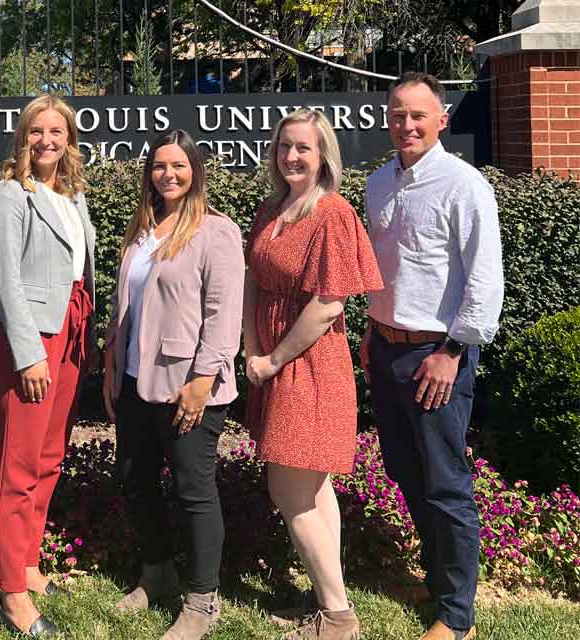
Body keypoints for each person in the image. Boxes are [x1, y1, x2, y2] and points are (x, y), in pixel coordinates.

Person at [361, 72, 503, 640]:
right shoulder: (377, 184)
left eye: (418, 115)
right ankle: (439, 578)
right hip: (386, 349)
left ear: (441, 119)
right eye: (397, 114)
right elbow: (385, 270)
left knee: (445, 481)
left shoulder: (463, 185)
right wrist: (372, 329)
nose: (407, 125)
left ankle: (457, 616)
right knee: (404, 469)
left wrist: (453, 350)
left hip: (436, 356)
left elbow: (485, 279)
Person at [243, 108, 382, 640]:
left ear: (323, 153)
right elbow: (255, 278)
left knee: (290, 490)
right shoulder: (272, 209)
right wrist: (253, 350)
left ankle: (339, 617)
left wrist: (273, 359)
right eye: (284, 147)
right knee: (314, 488)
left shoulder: (332, 214)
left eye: (303, 147)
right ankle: (330, 598)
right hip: (273, 358)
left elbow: (327, 305)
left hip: (310, 363)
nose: (292, 156)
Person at [103, 130, 244, 640]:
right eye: (160, 166)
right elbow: (129, 306)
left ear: (195, 171)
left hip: (189, 386)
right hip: (137, 381)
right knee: (136, 479)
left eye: (179, 165)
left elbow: (223, 315)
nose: (169, 174)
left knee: (193, 490)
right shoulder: (144, 229)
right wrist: (112, 361)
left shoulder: (215, 231)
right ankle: (156, 572)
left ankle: (202, 601)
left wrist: (203, 378)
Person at [0, 94, 96, 638]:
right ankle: (9, 590)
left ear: (69, 139)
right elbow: (6, 281)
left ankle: (27, 562)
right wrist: (30, 353)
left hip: (71, 331)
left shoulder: (73, 196)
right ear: (22, 137)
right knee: (18, 463)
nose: (47, 141)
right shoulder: (9, 195)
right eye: (36, 131)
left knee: (49, 457)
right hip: (28, 340)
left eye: (57, 131)